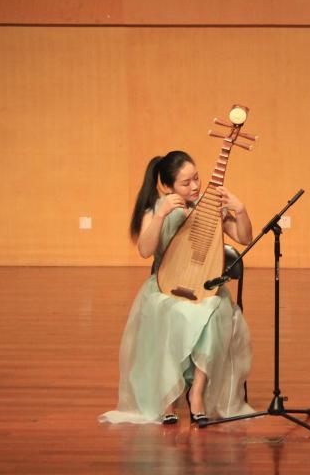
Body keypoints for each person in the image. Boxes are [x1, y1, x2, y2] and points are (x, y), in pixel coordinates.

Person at [101, 150, 256, 425]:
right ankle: (168, 397)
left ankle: (197, 393)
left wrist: (240, 209)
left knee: (214, 311)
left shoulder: (209, 208)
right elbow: (145, 250)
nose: (195, 186)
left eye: (196, 178)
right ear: (168, 186)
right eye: (186, 183)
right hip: (165, 290)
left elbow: (244, 237)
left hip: (204, 288)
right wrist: (161, 215)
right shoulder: (155, 210)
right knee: (173, 314)